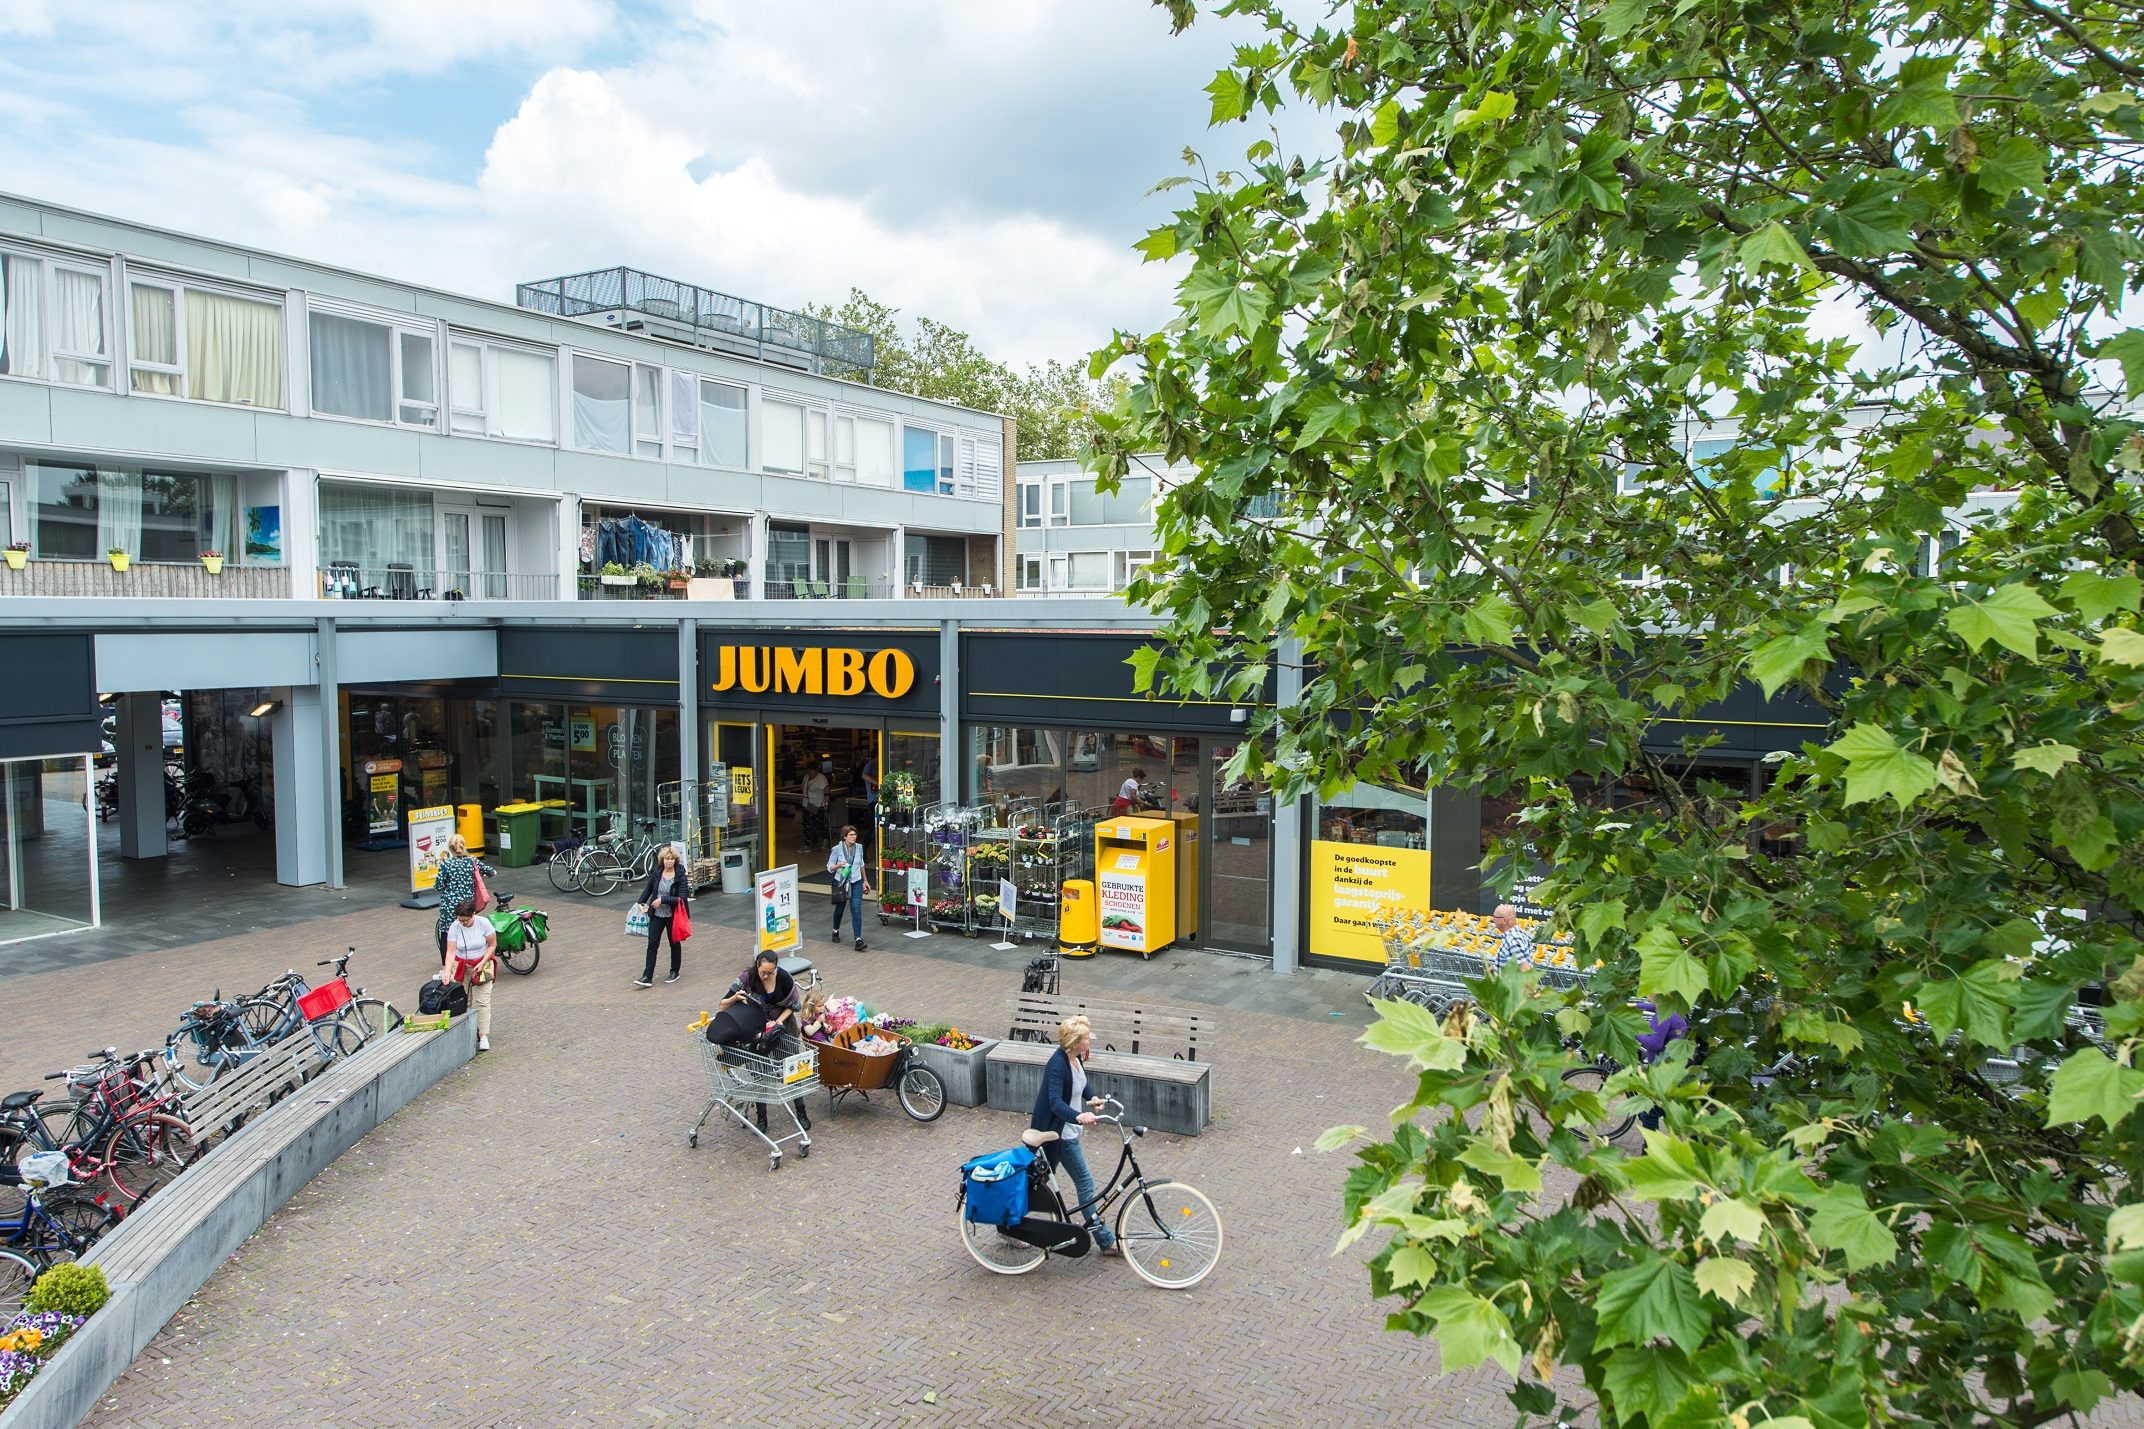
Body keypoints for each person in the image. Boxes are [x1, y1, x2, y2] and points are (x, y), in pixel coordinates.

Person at [1029, 1015, 1118, 1255]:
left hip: (1066, 1131)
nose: (1091, 1040)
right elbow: (1055, 1102)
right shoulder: (1057, 1064)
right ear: (1076, 1042)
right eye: (1088, 1037)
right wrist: (1079, 1116)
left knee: (1040, 1182)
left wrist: (1093, 1099)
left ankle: (1010, 1220)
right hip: (1058, 1134)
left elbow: (1081, 1084)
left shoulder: (1075, 1057)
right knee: (1085, 1183)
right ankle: (1105, 1240)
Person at [714, 951, 809, 1131]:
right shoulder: (746, 978)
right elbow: (723, 1004)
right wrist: (735, 998)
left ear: (776, 968)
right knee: (759, 1072)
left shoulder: (785, 978)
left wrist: (779, 1021)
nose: (766, 976)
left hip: (783, 1028)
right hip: (757, 1031)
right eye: (763, 972)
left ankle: (801, 1112)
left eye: (770, 973)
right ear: (757, 966)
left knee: (792, 1069)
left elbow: (794, 1005)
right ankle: (761, 1117)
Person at [442, 898, 497, 1053]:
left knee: (483, 1001)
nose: (463, 923)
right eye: (460, 920)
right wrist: (447, 971)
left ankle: (483, 1035)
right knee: (463, 1001)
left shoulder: (483, 923)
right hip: (462, 966)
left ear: (473, 914)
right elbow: (451, 951)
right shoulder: (455, 926)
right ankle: (466, 1033)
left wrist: (483, 961)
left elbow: (492, 944)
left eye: (465, 920)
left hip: (482, 965)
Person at [432, 835, 495, 969]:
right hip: (467, 905)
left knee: (447, 933)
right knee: (470, 928)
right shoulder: (471, 861)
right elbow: (491, 871)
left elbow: (437, 886)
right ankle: (473, 958)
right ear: (464, 846)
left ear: (450, 848)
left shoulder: (446, 864)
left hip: (450, 906)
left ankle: (447, 966)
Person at [632, 845, 691, 988]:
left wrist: (662, 899)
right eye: (666, 859)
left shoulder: (680, 876)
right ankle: (647, 976)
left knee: (674, 943)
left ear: (675, 861)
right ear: (662, 860)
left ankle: (674, 971)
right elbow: (649, 888)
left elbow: (681, 899)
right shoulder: (657, 873)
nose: (669, 862)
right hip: (657, 914)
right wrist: (641, 902)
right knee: (652, 944)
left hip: (672, 915)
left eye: (671, 859)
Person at [827, 824, 874, 951]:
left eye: (855, 835)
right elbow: (829, 866)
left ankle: (858, 939)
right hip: (841, 882)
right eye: (851, 835)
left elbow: (861, 864)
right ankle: (835, 930)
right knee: (839, 909)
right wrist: (838, 865)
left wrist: (865, 880)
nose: (854, 837)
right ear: (844, 837)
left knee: (856, 909)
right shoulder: (836, 849)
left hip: (856, 882)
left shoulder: (859, 848)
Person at [1491, 903, 1534, 971]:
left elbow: (1525, 970)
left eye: (1495, 917)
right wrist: (1496, 967)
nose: (1493, 920)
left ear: (1504, 921)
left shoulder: (1513, 940)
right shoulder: (1519, 934)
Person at [801, 759, 830, 849]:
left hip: (818, 805)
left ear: (816, 770)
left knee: (820, 824)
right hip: (807, 804)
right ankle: (807, 844)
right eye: (808, 771)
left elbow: (827, 792)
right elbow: (804, 788)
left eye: (811, 771)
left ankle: (825, 840)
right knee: (807, 825)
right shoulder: (806, 777)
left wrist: (826, 803)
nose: (809, 773)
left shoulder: (821, 779)